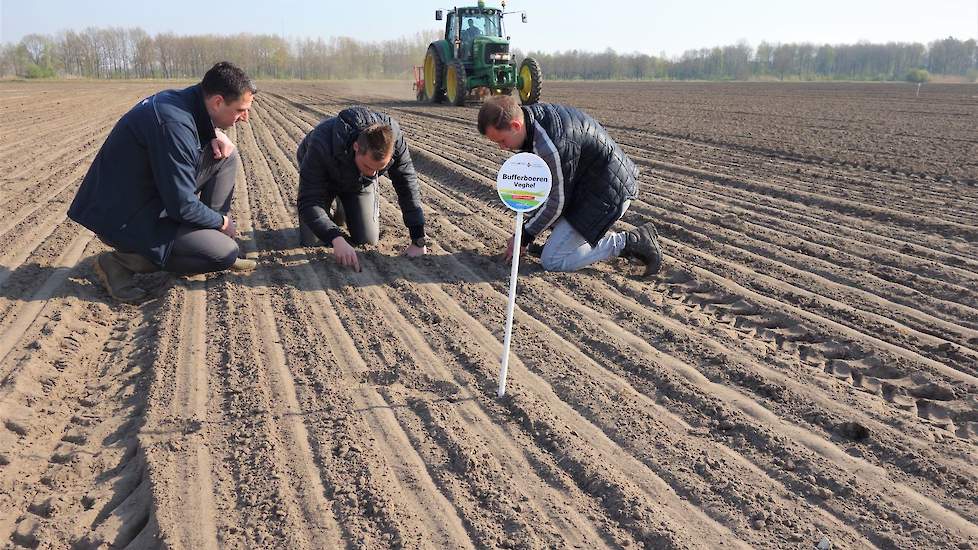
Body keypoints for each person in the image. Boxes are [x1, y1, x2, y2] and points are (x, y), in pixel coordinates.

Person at [68, 61, 257, 303]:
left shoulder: (186, 103)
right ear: (218, 102)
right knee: (223, 254)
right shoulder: (174, 125)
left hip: (147, 195)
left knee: (225, 156)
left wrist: (211, 134)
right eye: (240, 110)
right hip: (123, 217)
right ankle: (119, 263)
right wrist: (221, 222)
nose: (245, 118)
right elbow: (182, 205)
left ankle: (206, 239)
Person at [477, 95, 662, 275]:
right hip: (586, 187)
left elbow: (557, 202)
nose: (502, 147)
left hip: (608, 194)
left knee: (553, 260)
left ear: (516, 126)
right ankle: (560, 242)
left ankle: (629, 242)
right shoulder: (530, 121)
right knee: (537, 201)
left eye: (501, 141)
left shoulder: (550, 146)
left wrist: (524, 237)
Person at [296, 107, 427, 272]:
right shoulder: (321, 142)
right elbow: (308, 200)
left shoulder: (393, 139)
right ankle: (334, 205)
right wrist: (336, 238)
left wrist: (418, 239)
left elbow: (407, 184)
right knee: (313, 241)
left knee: (367, 240)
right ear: (357, 147)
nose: (373, 174)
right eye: (368, 165)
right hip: (324, 178)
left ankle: (346, 205)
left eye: (379, 169)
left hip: (358, 184)